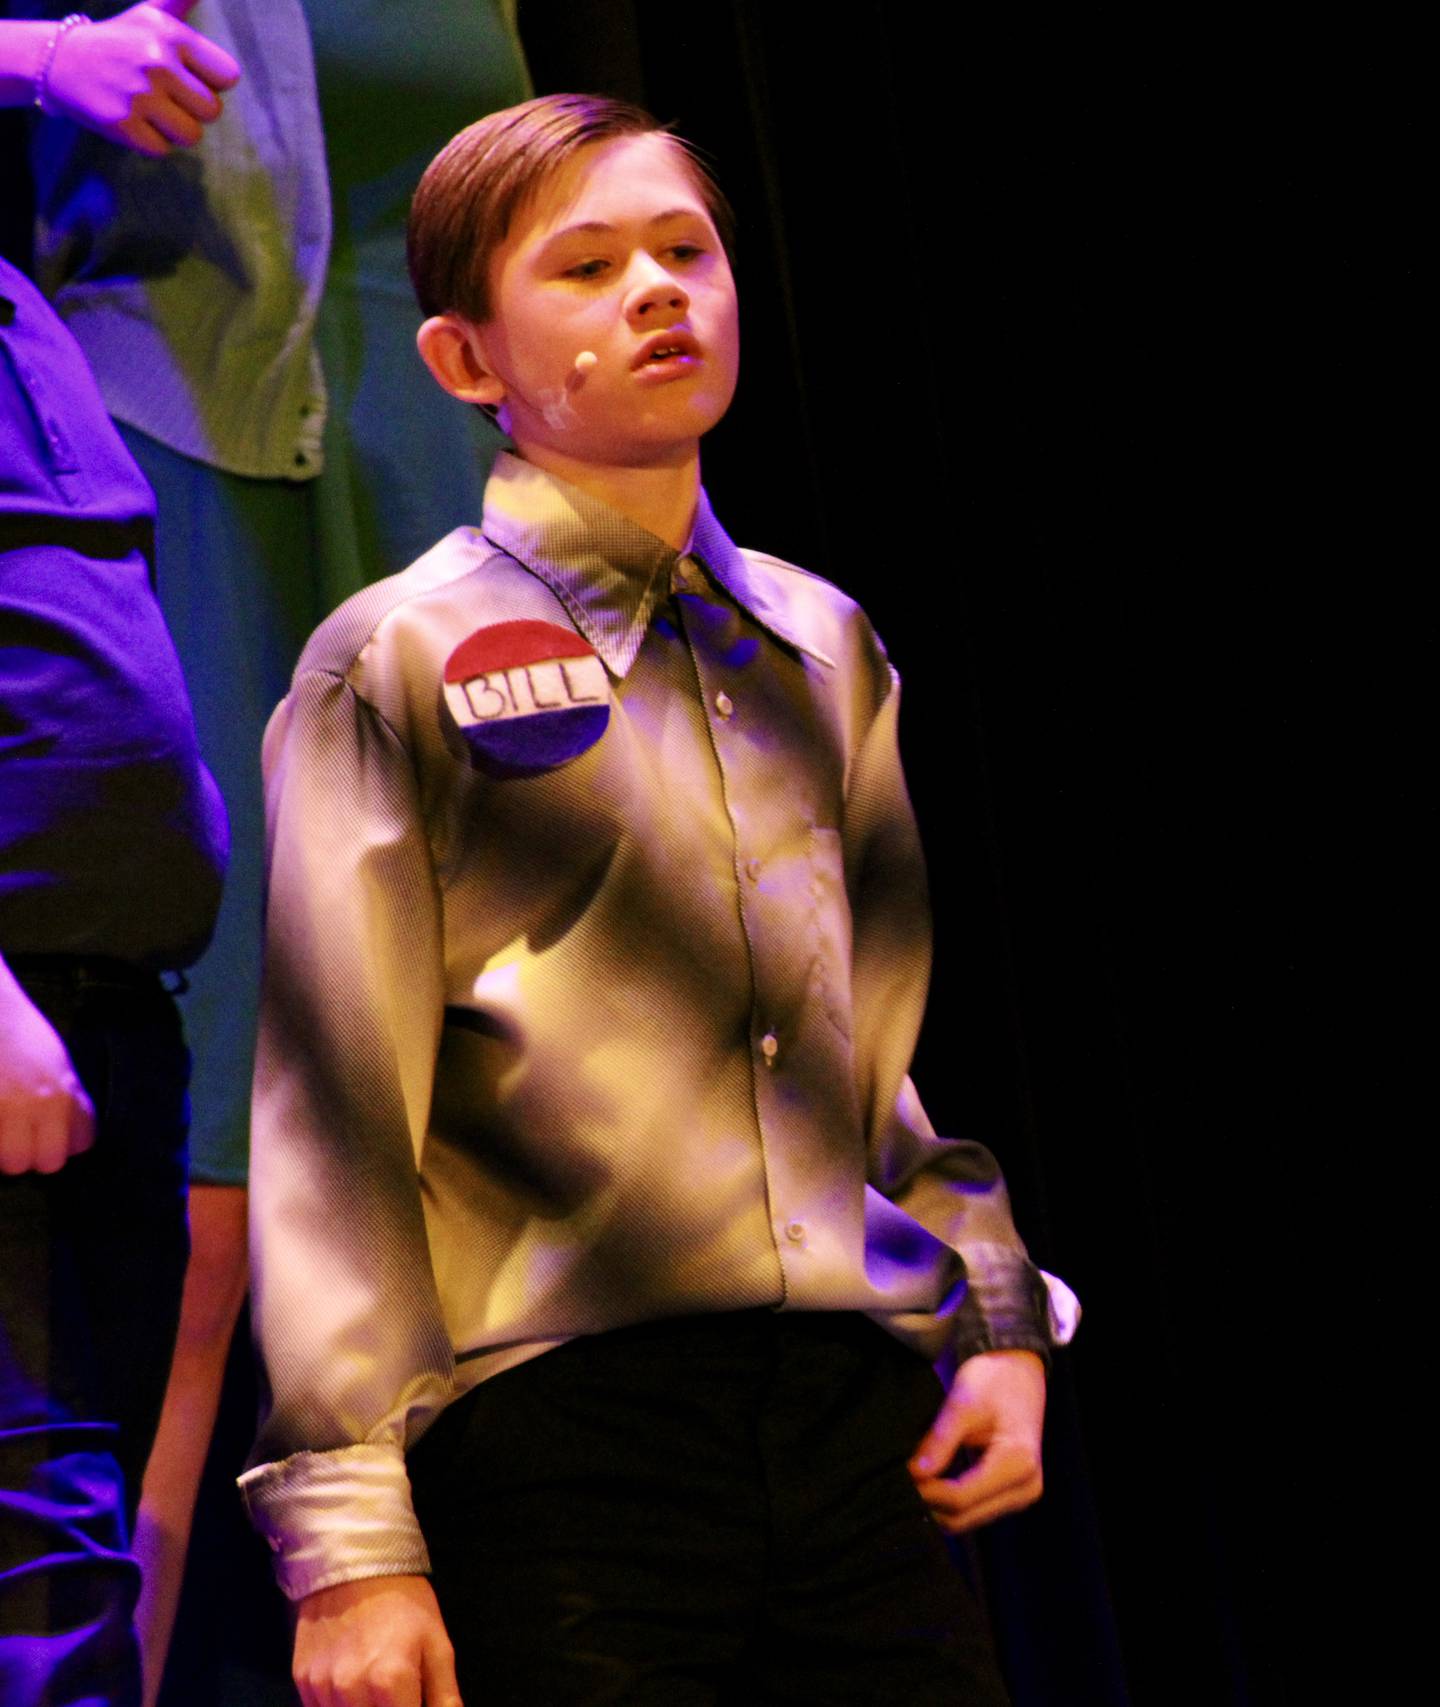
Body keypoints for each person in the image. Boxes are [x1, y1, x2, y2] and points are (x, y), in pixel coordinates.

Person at [240, 93, 1077, 1707]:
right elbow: (335, 1112)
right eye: (588, 264)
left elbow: (868, 1050)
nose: (655, 290)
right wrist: (352, 1542)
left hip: (847, 1421)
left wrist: (993, 1320)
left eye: (684, 249)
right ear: (468, 363)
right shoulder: (395, 659)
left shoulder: (824, 645)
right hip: (562, 1435)